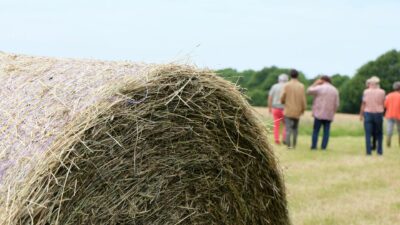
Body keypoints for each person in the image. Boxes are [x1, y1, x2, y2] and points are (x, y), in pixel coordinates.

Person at [307, 75, 339, 150]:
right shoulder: (335, 90)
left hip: (318, 113)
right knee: (326, 132)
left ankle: (314, 146)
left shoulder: (319, 88)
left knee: (316, 131)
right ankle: (323, 147)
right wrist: (333, 113)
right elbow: (337, 104)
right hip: (329, 115)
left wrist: (315, 83)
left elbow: (308, 91)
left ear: (322, 80)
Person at [280, 69, 307, 149]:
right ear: (297, 75)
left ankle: (288, 146)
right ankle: (294, 145)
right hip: (297, 111)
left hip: (288, 110)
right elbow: (303, 99)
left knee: (288, 129)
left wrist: (283, 101)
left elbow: (283, 96)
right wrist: (303, 109)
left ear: (290, 75)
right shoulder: (301, 86)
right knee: (295, 129)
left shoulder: (286, 85)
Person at [359, 76, 385, 155]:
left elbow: (363, 104)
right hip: (378, 113)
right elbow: (383, 103)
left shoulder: (366, 92)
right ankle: (379, 151)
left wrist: (361, 114)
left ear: (370, 83)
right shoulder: (382, 92)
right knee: (379, 133)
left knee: (368, 133)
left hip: (368, 113)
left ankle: (368, 152)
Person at [268, 74, 289, 144]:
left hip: (275, 108)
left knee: (276, 125)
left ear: (279, 79)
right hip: (285, 108)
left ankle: (276, 139)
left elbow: (270, 97)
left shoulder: (274, 86)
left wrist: (269, 107)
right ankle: (284, 138)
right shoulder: (287, 87)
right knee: (286, 124)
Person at [384, 81, 400, 147]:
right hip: (399, 115)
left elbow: (385, 105)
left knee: (389, 129)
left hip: (389, 114)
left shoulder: (388, 95)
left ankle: (388, 143)